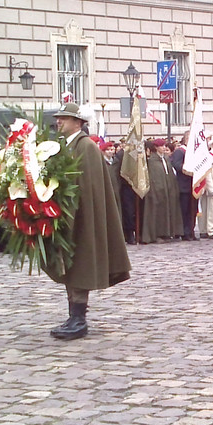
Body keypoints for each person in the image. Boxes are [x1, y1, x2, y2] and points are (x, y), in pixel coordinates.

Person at [46, 103, 131, 340]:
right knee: (70, 266)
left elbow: (86, 188)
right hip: (69, 216)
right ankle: (73, 315)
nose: (59, 121)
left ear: (78, 122)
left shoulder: (86, 148)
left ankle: (79, 319)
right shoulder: (68, 147)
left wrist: (71, 213)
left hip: (83, 218)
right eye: (59, 118)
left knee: (81, 265)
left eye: (64, 118)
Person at [140, 139, 184, 243]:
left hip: (168, 189)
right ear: (156, 147)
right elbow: (154, 176)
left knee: (169, 210)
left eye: (164, 145)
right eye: (161, 146)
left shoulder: (166, 159)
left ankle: (168, 232)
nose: (164, 148)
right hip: (157, 191)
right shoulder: (152, 161)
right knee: (158, 213)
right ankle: (157, 234)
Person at [171, 132, 196, 240]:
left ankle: (191, 230)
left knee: (193, 211)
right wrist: (188, 169)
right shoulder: (180, 151)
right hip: (183, 185)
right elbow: (176, 164)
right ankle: (184, 232)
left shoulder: (195, 152)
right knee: (184, 211)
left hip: (194, 185)